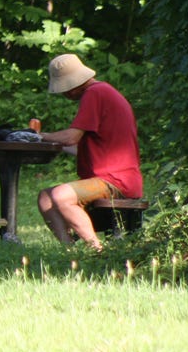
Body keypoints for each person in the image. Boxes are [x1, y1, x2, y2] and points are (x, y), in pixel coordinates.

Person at [36, 54, 142, 251]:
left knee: (60, 195)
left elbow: (72, 137)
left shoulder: (95, 93)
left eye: (65, 89)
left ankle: (95, 250)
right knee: (45, 197)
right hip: (108, 177)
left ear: (73, 84)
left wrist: (40, 136)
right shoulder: (101, 92)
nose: (64, 94)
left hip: (117, 180)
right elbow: (81, 146)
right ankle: (69, 250)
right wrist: (56, 145)